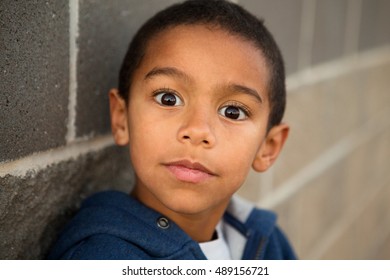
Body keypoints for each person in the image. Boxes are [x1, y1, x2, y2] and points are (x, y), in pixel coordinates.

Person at [48, 0, 296, 260]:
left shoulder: (268, 244)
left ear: (268, 147)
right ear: (122, 118)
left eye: (232, 112)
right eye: (168, 98)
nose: (197, 130)